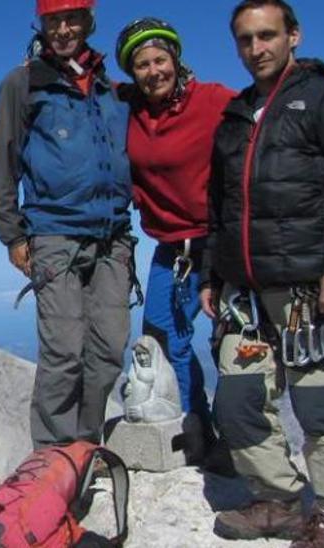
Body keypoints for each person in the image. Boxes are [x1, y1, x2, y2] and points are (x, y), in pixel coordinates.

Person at [199, 1, 324, 546]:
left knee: (317, 405)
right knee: (238, 402)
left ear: (294, 35)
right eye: (244, 39)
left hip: (309, 290)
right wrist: (209, 275)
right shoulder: (237, 117)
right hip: (243, 288)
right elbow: (220, 208)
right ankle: (278, 501)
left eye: (267, 36)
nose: (255, 49)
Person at [0, 0, 136, 449]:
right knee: (64, 353)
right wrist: (12, 233)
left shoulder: (111, 88)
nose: (64, 28)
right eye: (54, 20)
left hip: (113, 237)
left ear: (88, 22)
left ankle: (86, 448)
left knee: (109, 351)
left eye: (72, 18)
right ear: (43, 24)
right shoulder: (24, 82)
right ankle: (52, 458)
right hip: (54, 235)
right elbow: (4, 160)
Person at [114, 18, 236, 453]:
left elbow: (263, 123)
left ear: (175, 59)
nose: (153, 71)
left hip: (222, 241)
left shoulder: (213, 100)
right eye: (141, 64)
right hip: (172, 249)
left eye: (159, 59)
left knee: (237, 346)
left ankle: (245, 442)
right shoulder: (129, 109)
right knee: (163, 345)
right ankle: (195, 432)